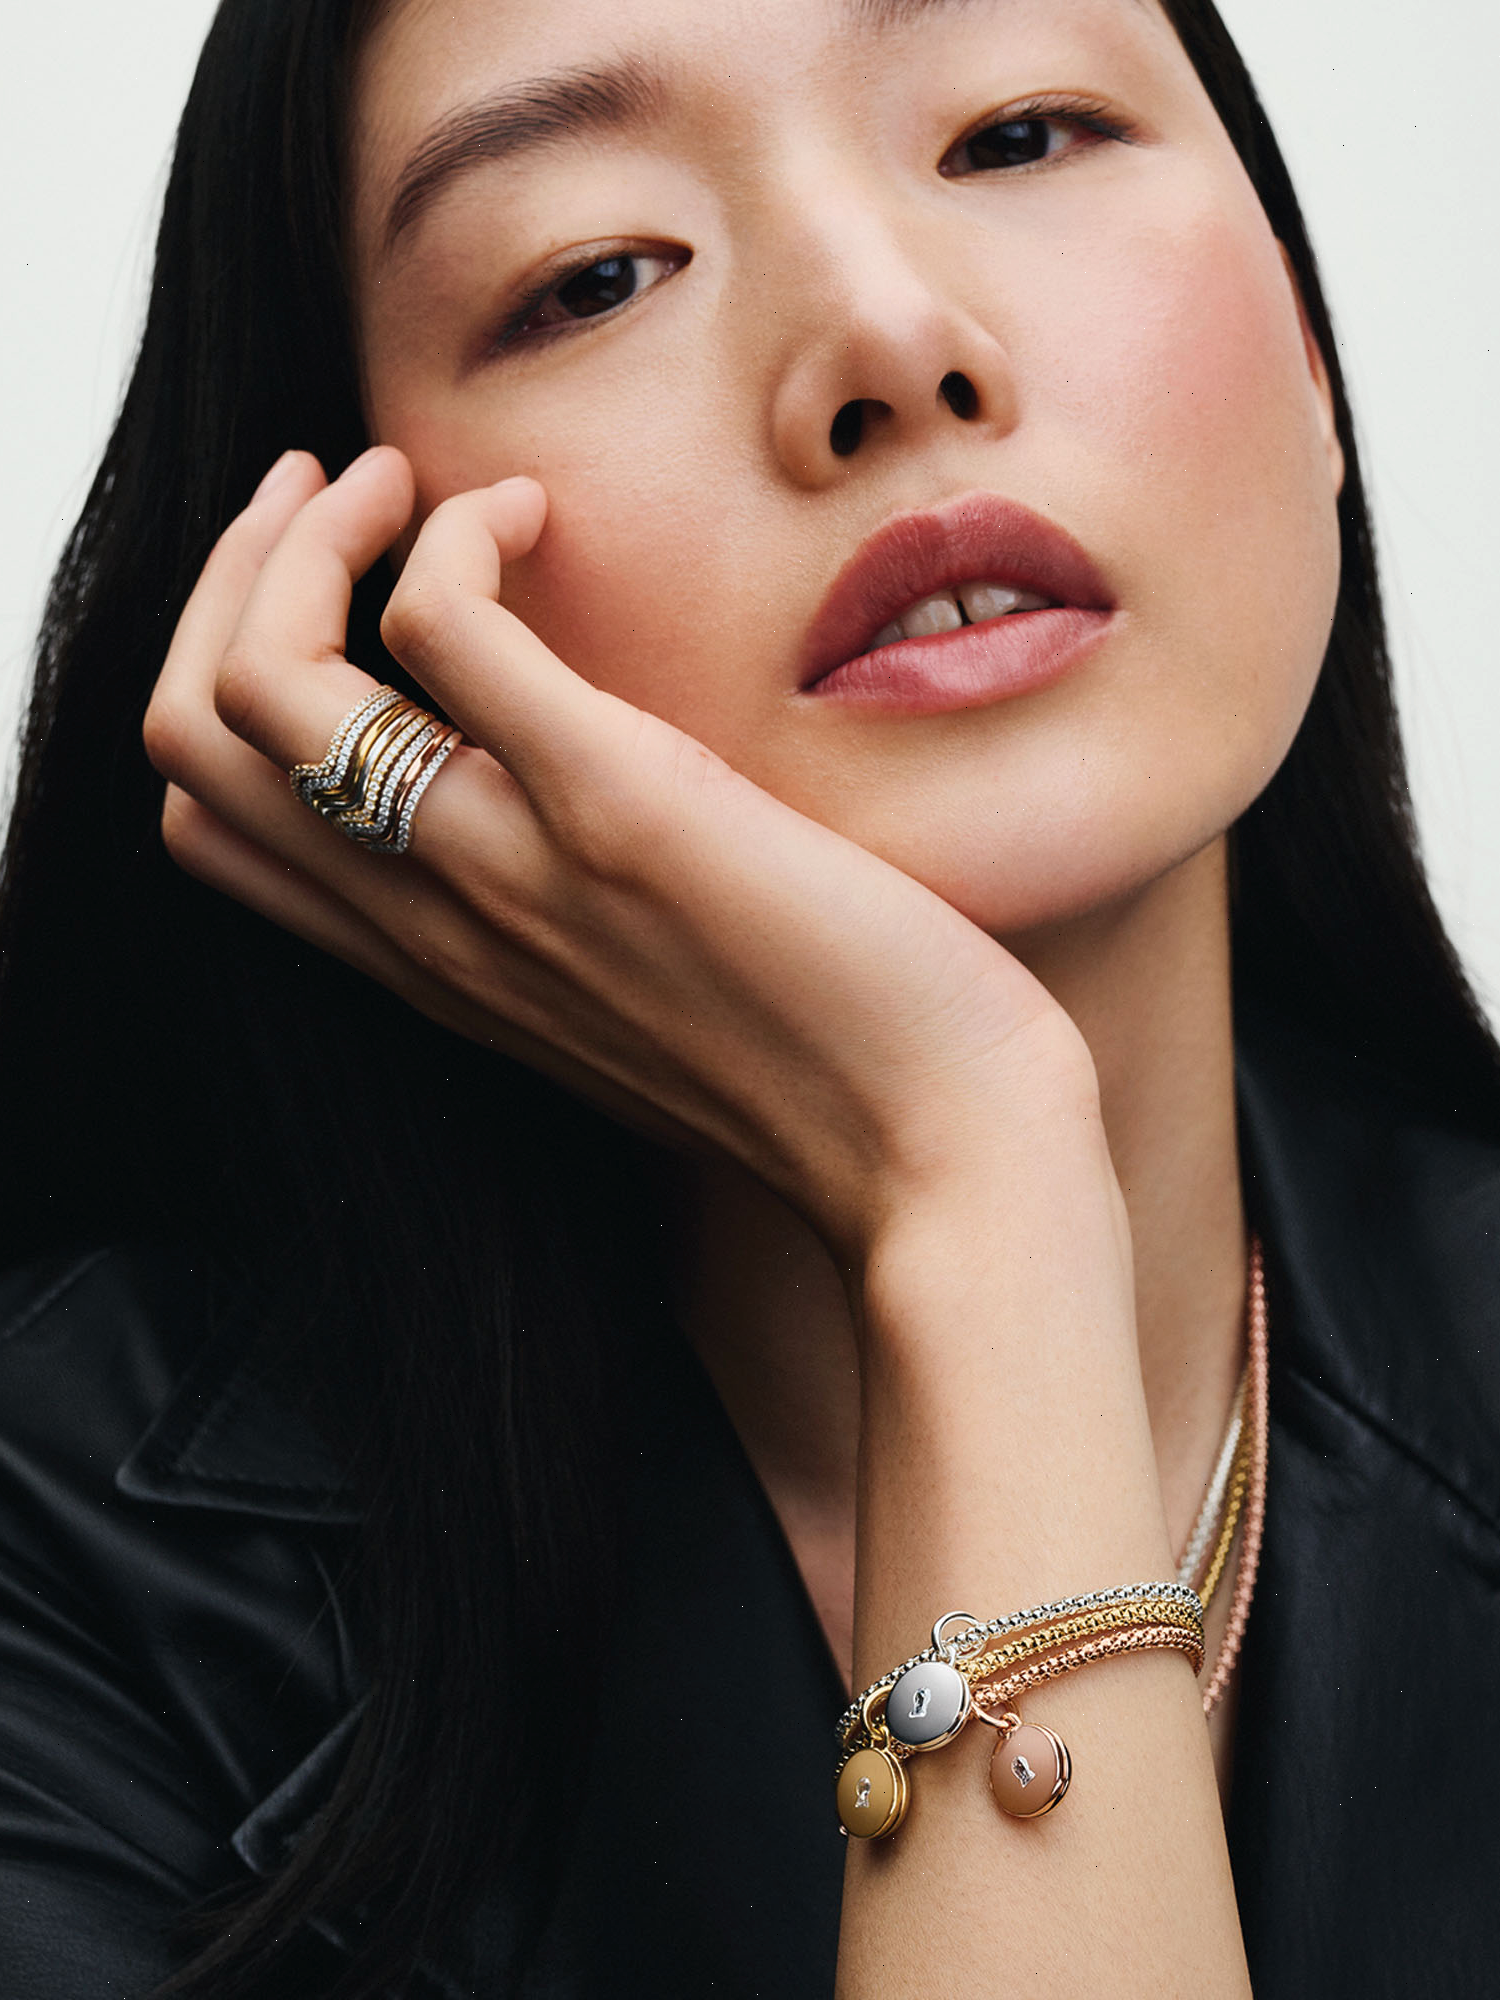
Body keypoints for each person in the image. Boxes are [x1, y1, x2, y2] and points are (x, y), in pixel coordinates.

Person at [0, 0, 1496, 1994]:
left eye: (1020, 133)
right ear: (354, 607)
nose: (887, 336)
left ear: (1309, 359)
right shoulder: (63, 1578)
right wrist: (974, 1179)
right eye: (594, 275)